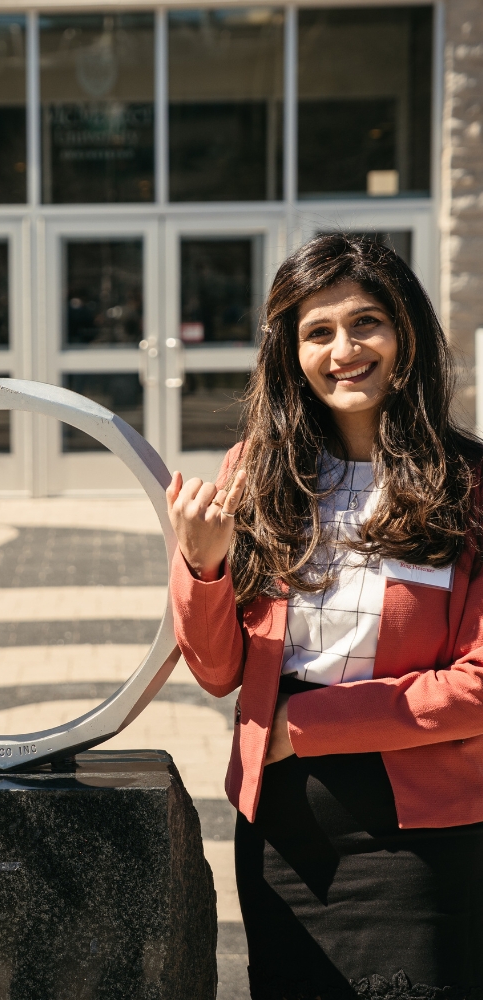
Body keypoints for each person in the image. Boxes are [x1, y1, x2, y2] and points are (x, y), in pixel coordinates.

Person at [166, 234, 483, 999]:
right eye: (318, 331)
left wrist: (301, 730)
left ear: (406, 333)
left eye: (366, 322)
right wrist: (203, 565)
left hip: (423, 837)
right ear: (291, 353)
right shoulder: (255, 471)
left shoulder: (471, 485)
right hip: (282, 835)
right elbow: (216, 673)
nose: (345, 349)